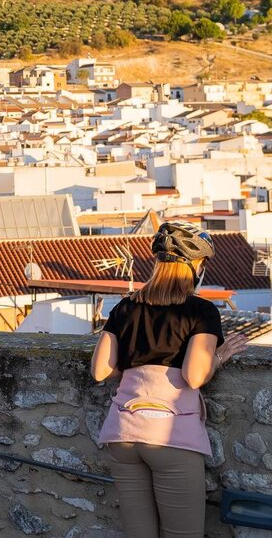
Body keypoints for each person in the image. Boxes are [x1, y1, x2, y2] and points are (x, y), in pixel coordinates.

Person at [92, 221, 249, 538]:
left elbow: (99, 370)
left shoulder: (126, 306)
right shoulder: (200, 311)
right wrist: (218, 356)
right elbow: (194, 376)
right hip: (170, 435)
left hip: (122, 433)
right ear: (196, 266)